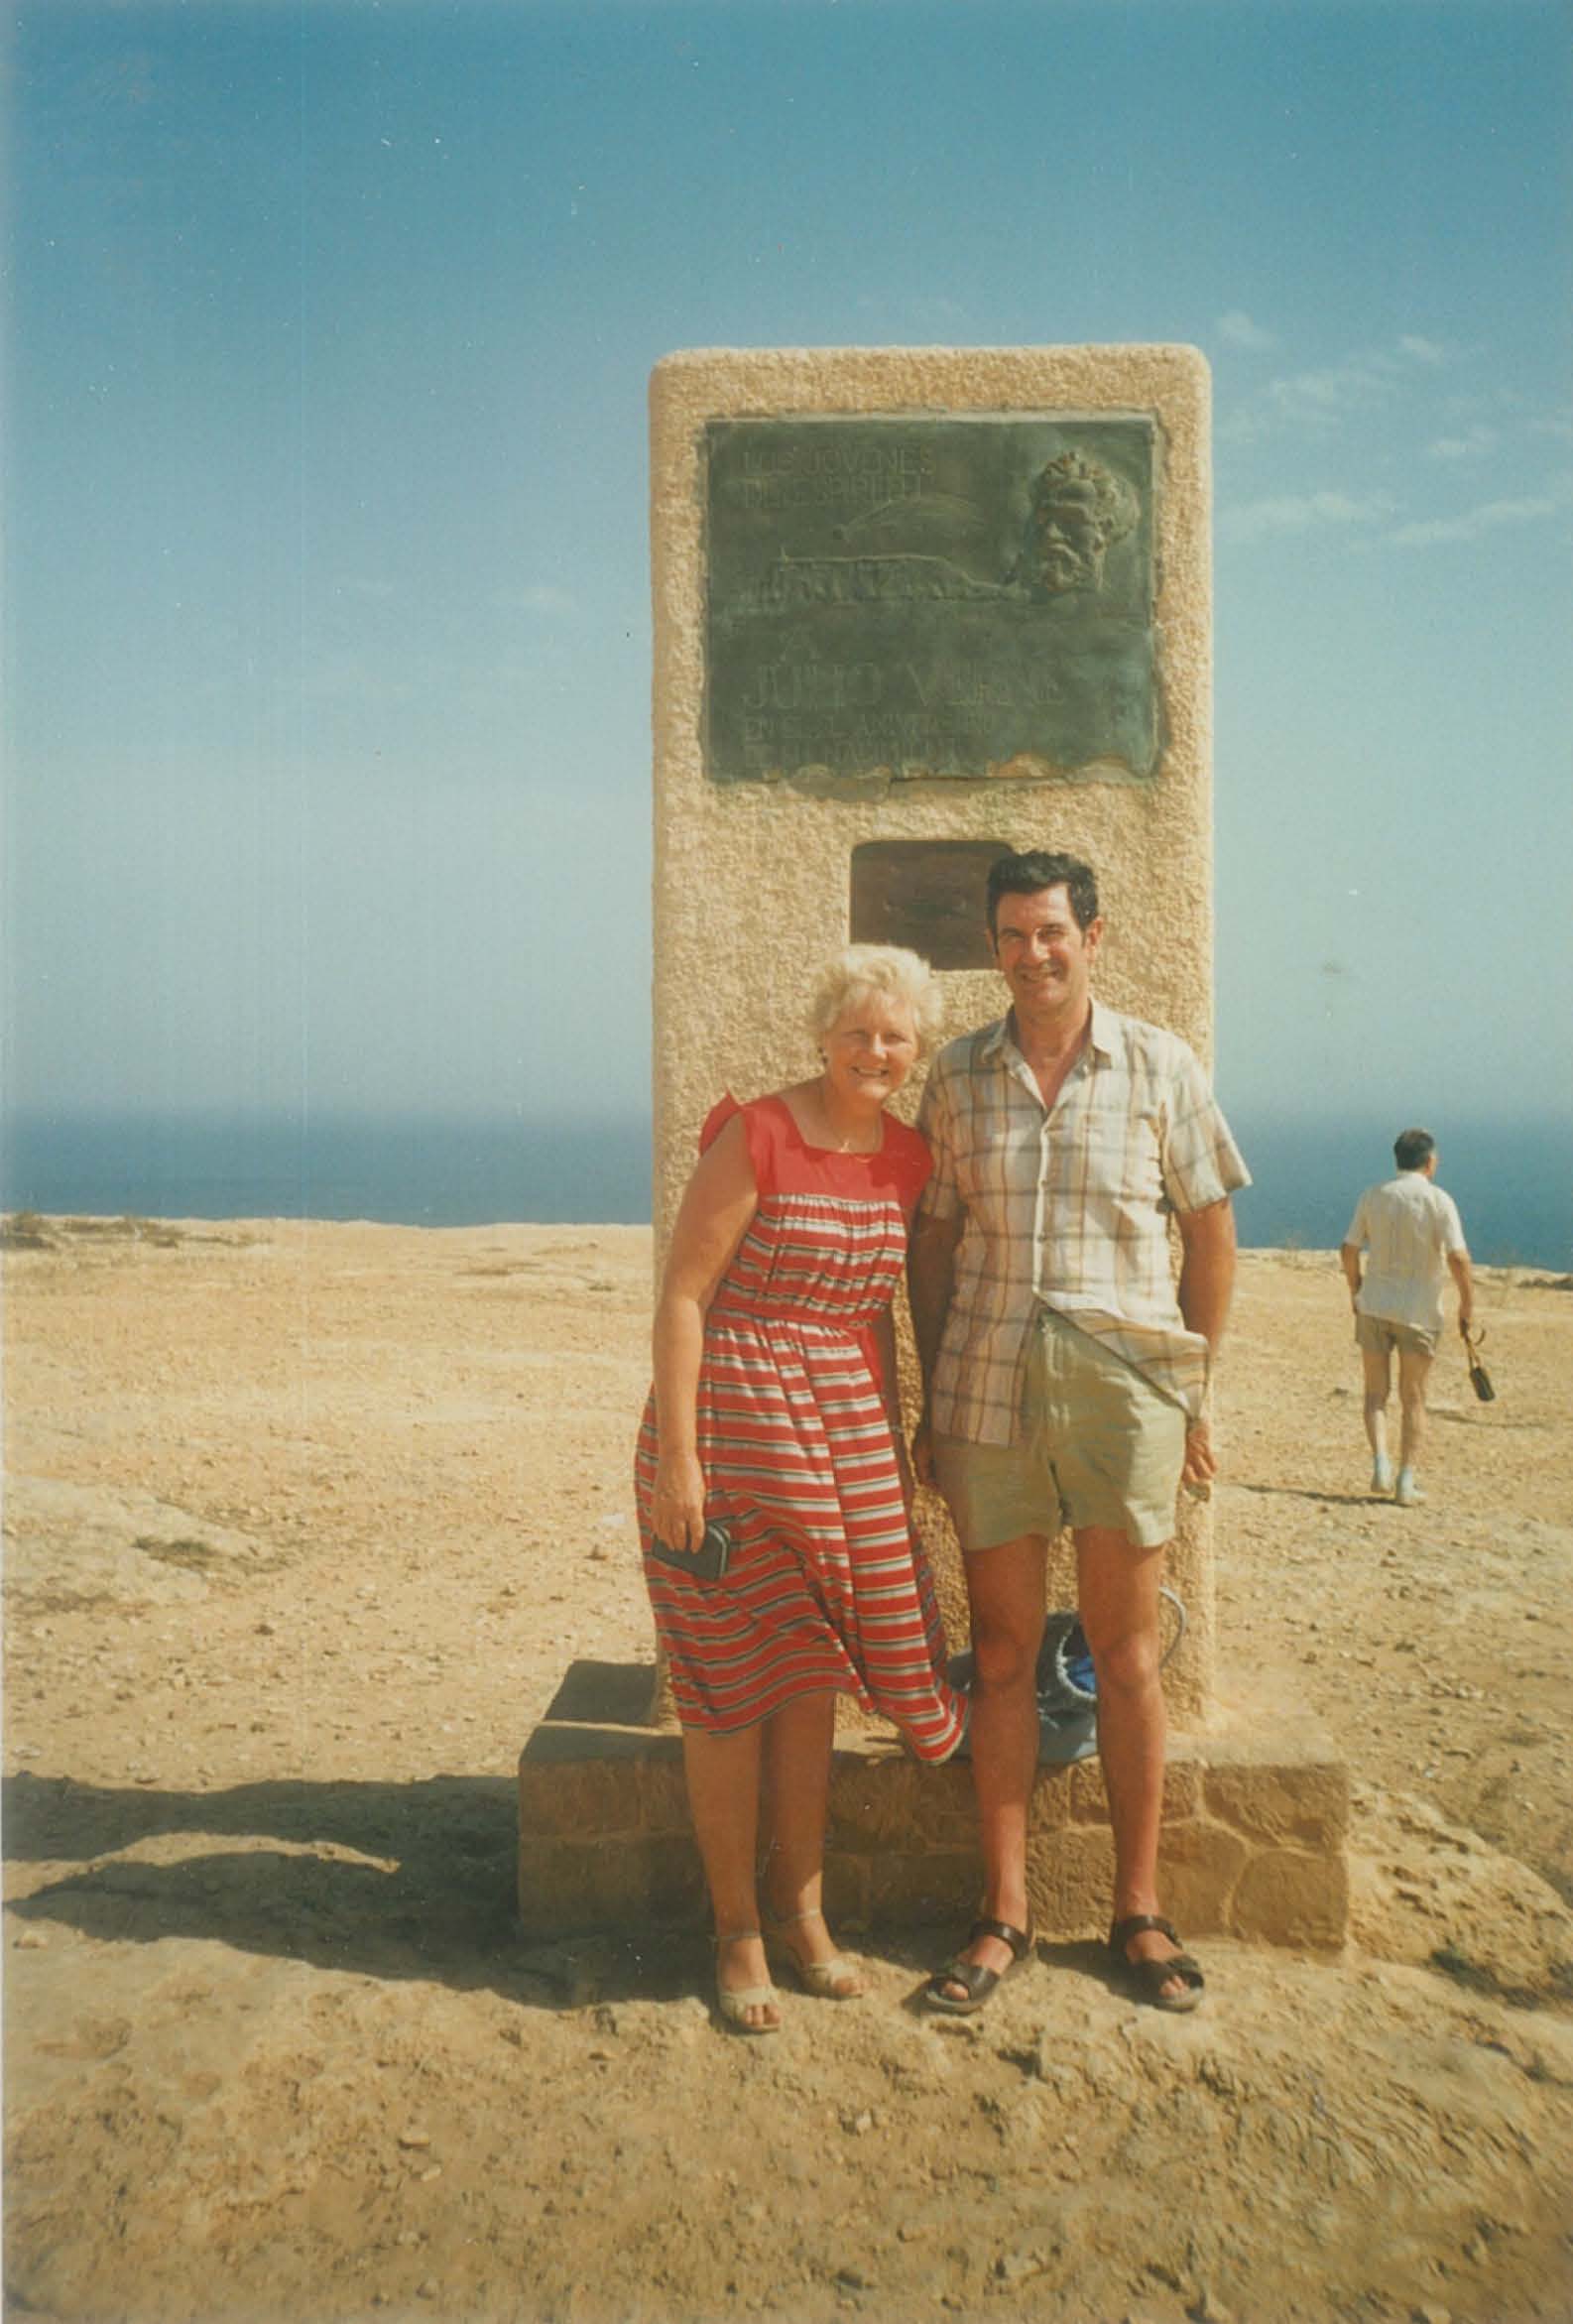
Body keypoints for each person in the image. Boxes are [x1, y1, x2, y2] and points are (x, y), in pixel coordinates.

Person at [908, 850, 1249, 2016]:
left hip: (1124, 1394)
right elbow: (933, 1246)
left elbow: (1209, 1236)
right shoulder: (953, 1079)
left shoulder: (1159, 1064)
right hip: (986, 1391)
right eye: (1010, 936)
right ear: (993, 947)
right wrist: (929, 1403)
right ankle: (1002, 1916)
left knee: (1127, 1656)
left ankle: (1136, 1912)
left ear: (1090, 939)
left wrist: (1190, 1390)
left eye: (1050, 933)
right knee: (999, 1657)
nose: (1030, 954)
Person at [636, 944, 967, 2034]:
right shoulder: (758, 1132)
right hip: (728, 1429)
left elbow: (872, 1314)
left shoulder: (908, 1157)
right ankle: (736, 1928)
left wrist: (888, 1439)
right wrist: (680, 1457)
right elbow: (685, 1294)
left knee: (812, 1678)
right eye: (858, 1032)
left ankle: (802, 1912)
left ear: (914, 1051)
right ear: (823, 1035)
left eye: (894, 1037)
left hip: (839, 1437)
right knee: (726, 1687)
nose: (875, 1052)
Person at [1340, 1129, 1474, 1509]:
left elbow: (1349, 1249)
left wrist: (1356, 1289)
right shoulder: (1438, 1200)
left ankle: (1380, 1463)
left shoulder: (1373, 1195)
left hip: (1374, 1305)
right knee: (1414, 1397)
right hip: (1420, 1310)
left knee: (1374, 1394)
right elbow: (1458, 1257)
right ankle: (1406, 1480)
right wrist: (1467, 1305)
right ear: (1429, 1162)